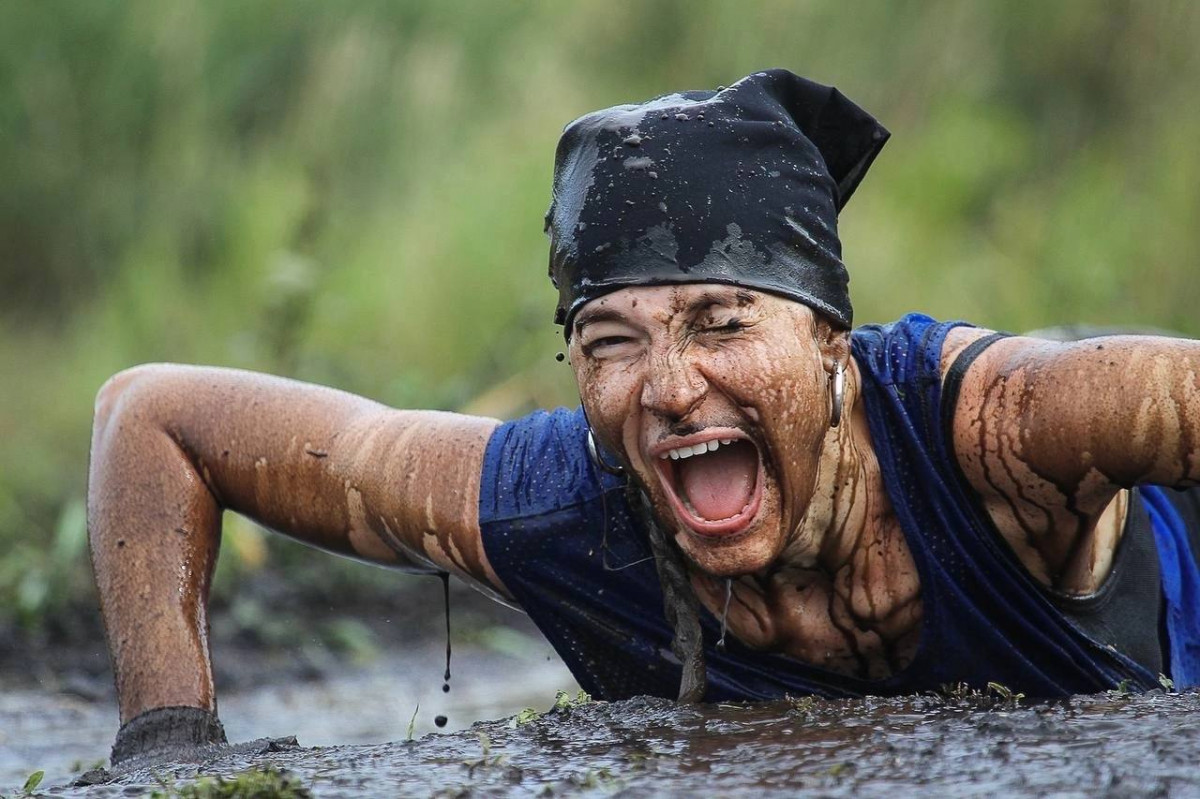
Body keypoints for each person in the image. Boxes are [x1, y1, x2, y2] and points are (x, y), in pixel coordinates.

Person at [88, 69, 1200, 765]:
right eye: (612, 342)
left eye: (721, 324)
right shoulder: (560, 504)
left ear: (830, 343)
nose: (667, 388)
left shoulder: (1001, 431)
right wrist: (170, 751)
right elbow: (152, 415)